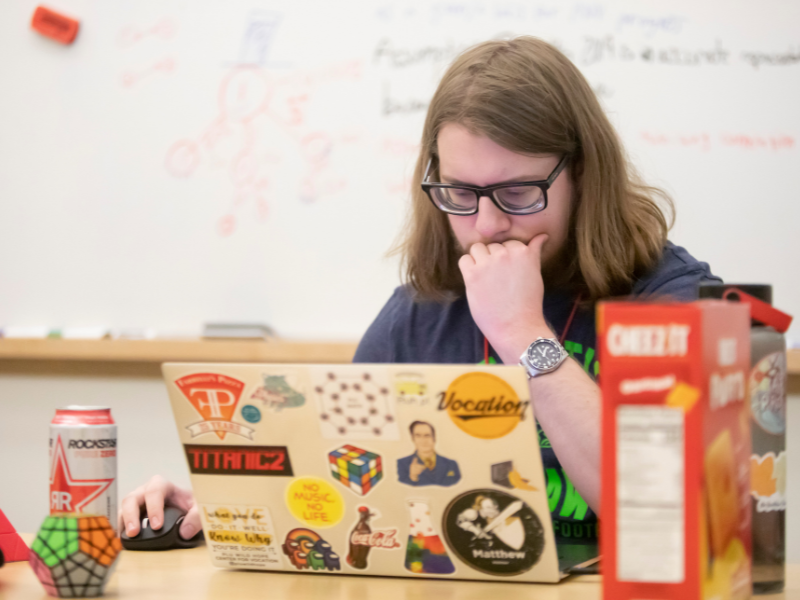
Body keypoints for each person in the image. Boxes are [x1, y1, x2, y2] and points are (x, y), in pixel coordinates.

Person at [121, 36, 721, 546]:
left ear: (583, 174)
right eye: (460, 194)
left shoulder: (674, 299)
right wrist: (226, 504)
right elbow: (337, 482)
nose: (485, 226)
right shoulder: (419, 310)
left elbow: (664, 515)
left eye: (517, 194)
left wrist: (523, 334)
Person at [397, 421, 461, 487]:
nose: (423, 440)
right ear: (413, 439)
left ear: (434, 438)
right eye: (418, 436)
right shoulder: (401, 464)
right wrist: (412, 478)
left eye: (427, 435)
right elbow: (398, 492)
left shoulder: (451, 464)